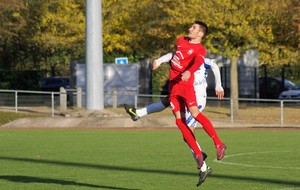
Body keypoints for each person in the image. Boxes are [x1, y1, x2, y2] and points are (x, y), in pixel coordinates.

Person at [130, 21, 226, 185]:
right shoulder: (181, 40)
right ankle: (198, 155)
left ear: (201, 34)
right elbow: (173, 55)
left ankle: (218, 143)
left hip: (189, 88)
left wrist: (191, 72)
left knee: (194, 115)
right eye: (191, 26)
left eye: (194, 28)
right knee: (179, 122)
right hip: (174, 87)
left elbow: (198, 63)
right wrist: (159, 61)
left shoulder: (201, 50)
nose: (190, 28)